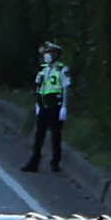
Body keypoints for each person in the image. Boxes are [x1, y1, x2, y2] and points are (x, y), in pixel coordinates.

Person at [25, 40, 73, 172]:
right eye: (47, 52)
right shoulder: (43, 69)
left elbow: (66, 88)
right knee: (39, 133)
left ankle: (55, 162)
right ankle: (34, 162)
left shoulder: (62, 69)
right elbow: (38, 87)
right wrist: (37, 103)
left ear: (57, 54)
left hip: (56, 106)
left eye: (51, 52)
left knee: (55, 135)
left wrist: (64, 107)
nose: (48, 55)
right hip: (44, 105)